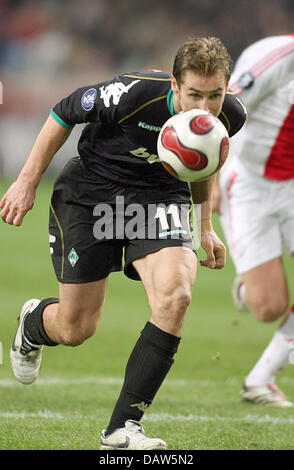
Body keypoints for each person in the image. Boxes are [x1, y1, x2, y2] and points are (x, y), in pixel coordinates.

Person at [1, 36, 246, 449]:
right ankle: (33, 323)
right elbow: (63, 111)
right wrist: (26, 182)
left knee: (176, 295)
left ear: (226, 89)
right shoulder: (132, 94)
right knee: (77, 328)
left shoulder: (230, 115)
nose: (205, 108)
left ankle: (123, 427)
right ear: (173, 84)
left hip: (158, 199)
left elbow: (202, 160)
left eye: (215, 95)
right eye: (194, 95)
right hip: (92, 194)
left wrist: (204, 227)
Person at [214, 34, 294, 407]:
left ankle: (260, 379)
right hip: (248, 182)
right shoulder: (274, 57)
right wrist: (209, 180)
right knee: (269, 307)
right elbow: (220, 111)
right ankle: (250, 288)